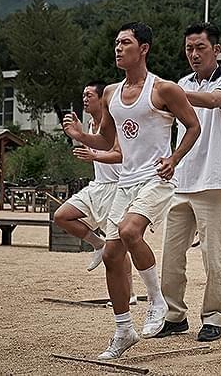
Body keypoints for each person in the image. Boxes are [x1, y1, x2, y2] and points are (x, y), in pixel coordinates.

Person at [63, 22, 200, 359]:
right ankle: (123, 329)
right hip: (125, 182)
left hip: (156, 177)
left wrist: (174, 158)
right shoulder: (109, 93)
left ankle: (157, 301)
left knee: (129, 230)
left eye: (125, 42)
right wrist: (82, 137)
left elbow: (193, 125)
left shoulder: (164, 89)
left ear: (144, 48)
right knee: (111, 255)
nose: (118, 47)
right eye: (116, 42)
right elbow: (108, 141)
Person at [158, 22, 221, 342]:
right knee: (171, 255)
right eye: (189, 48)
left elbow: (211, 100)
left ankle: (213, 317)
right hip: (182, 179)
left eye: (200, 48)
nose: (193, 54)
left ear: (216, 50)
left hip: (214, 179)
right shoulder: (181, 82)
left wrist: (171, 92)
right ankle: (174, 314)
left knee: (214, 256)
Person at [54, 81, 137, 304]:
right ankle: (97, 244)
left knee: (117, 245)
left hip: (116, 187)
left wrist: (94, 156)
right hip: (97, 186)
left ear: (102, 99)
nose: (84, 98)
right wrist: (77, 134)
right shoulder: (90, 124)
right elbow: (88, 148)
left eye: (89, 95)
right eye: (83, 94)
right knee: (61, 216)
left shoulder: (115, 124)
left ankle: (128, 293)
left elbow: (121, 155)